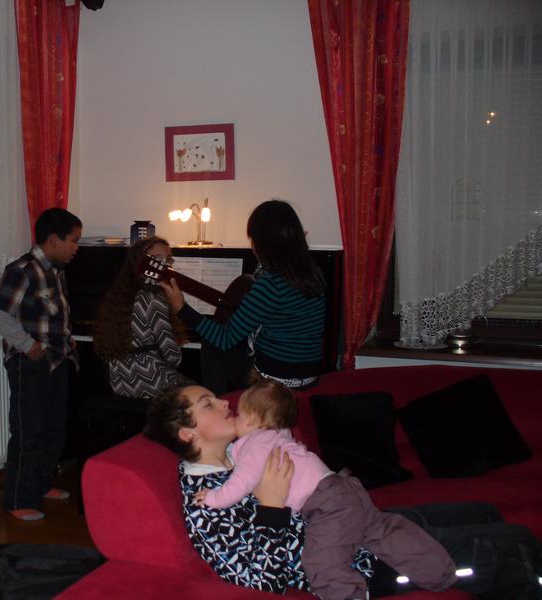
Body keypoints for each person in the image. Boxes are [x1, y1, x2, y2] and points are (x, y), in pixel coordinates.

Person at [144, 383, 542, 599]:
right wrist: (271, 509)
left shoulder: (237, 451)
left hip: (358, 519)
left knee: (482, 511)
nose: (224, 403)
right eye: (208, 404)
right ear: (187, 433)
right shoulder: (204, 503)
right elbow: (260, 581)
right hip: (363, 560)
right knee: (511, 544)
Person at [195, 380, 456, 599]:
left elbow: (241, 482)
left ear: (252, 418)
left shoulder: (255, 445)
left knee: (322, 564)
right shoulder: (278, 436)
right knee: (383, 531)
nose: (228, 407)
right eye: (208, 404)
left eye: (240, 414)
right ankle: (439, 573)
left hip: (326, 505)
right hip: (343, 487)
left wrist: (214, 498)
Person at [160, 199, 325, 392]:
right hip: (308, 376)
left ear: (262, 243)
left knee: (213, 345)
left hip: (274, 385)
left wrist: (182, 308)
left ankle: (219, 403)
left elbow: (225, 338)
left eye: (252, 239)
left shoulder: (270, 284)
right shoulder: (312, 273)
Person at [0, 208, 82, 522]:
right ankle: (18, 499)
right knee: (29, 431)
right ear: (54, 239)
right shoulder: (23, 270)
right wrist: (27, 345)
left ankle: (41, 485)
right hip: (30, 364)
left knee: (54, 430)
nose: (76, 247)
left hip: (57, 361)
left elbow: (55, 316)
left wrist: (68, 342)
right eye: (73, 240)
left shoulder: (57, 271)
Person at [93, 237, 190, 399]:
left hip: (120, 384)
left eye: (168, 259)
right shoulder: (153, 298)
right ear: (141, 262)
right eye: (157, 258)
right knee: (199, 394)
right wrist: (177, 345)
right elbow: (173, 357)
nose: (164, 264)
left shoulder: (117, 296)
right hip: (153, 384)